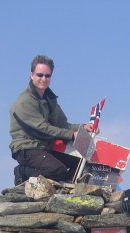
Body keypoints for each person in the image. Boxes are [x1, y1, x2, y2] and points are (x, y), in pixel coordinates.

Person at [9, 54, 96, 185]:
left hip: (44, 147)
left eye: (47, 76)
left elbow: (62, 124)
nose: (43, 79)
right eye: (39, 75)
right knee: (58, 170)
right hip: (26, 148)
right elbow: (42, 129)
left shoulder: (49, 99)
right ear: (31, 75)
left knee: (78, 163)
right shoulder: (24, 101)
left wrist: (82, 128)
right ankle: (22, 172)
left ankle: (62, 193)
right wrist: (72, 135)